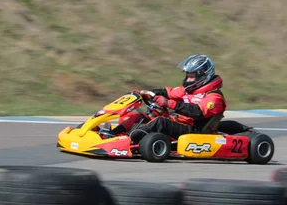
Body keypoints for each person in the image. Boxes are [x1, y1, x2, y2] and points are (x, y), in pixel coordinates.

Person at [101, 54, 252, 143]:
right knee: (138, 116)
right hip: (178, 124)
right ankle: (113, 134)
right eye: (187, 75)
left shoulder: (214, 97)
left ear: (202, 76)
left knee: (160, 122)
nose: (188, 79)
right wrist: (144, 92)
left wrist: (169, 103)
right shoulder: (189, 90)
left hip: (193, 131)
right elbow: (168, 91)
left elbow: (198, 112)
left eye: (191, 76)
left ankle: (127, 141)